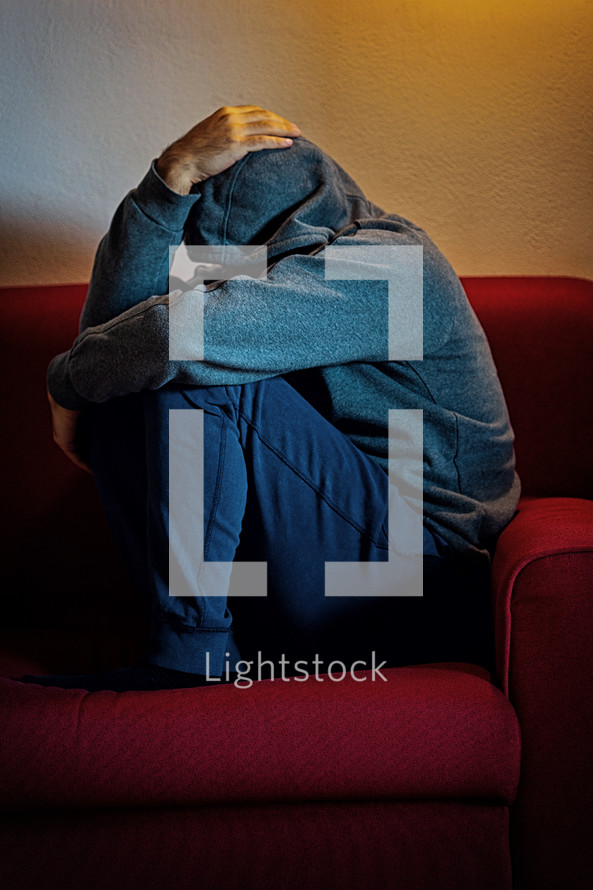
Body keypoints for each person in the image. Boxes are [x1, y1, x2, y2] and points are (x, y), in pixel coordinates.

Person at [21, 105, 520, 692]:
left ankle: (189, 661)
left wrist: (66, 385)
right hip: (326, 566)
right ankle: (207, 646)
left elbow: (171, 342)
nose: (222, 276)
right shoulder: (292, 253)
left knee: (194, 362)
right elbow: (115, 338)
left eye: (241, 262)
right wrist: (169, 180)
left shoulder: (398, 271)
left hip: (422, 584)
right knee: (131, 380)